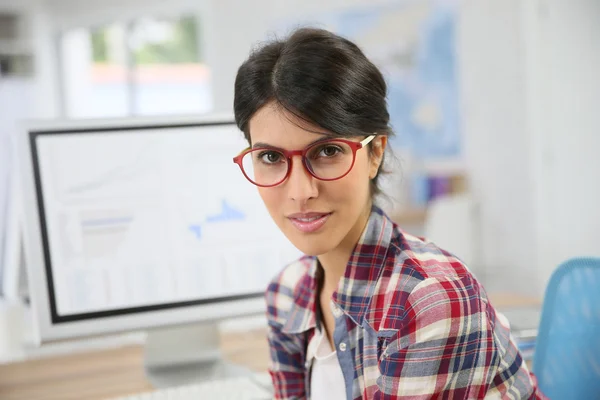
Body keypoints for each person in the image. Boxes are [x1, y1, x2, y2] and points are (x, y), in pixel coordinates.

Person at [232, 28, 545, 400]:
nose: (301, 192)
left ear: (375, 153)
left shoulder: (428, 299)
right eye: (270, 157)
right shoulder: (287, 295)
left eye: (328, 151)